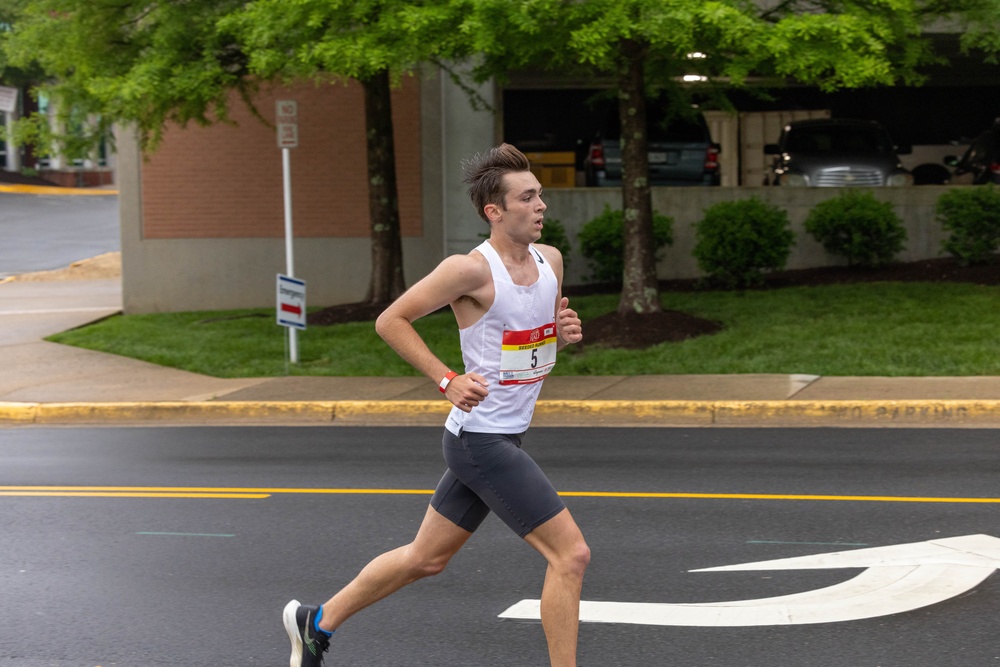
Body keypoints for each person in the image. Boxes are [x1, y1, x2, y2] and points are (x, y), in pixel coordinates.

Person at [282, 143, 590, 667]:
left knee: (425, 559)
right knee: (571, 555)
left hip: (502, 434)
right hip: (479, 440)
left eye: (540, 195)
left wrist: (560, 336)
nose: (541, 206)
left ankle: (316, 622)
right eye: (528, 197)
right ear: (495, 212)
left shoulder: (550, 261)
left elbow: (524, 348)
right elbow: (390, 321)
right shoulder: (468, 271)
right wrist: (445, 378)